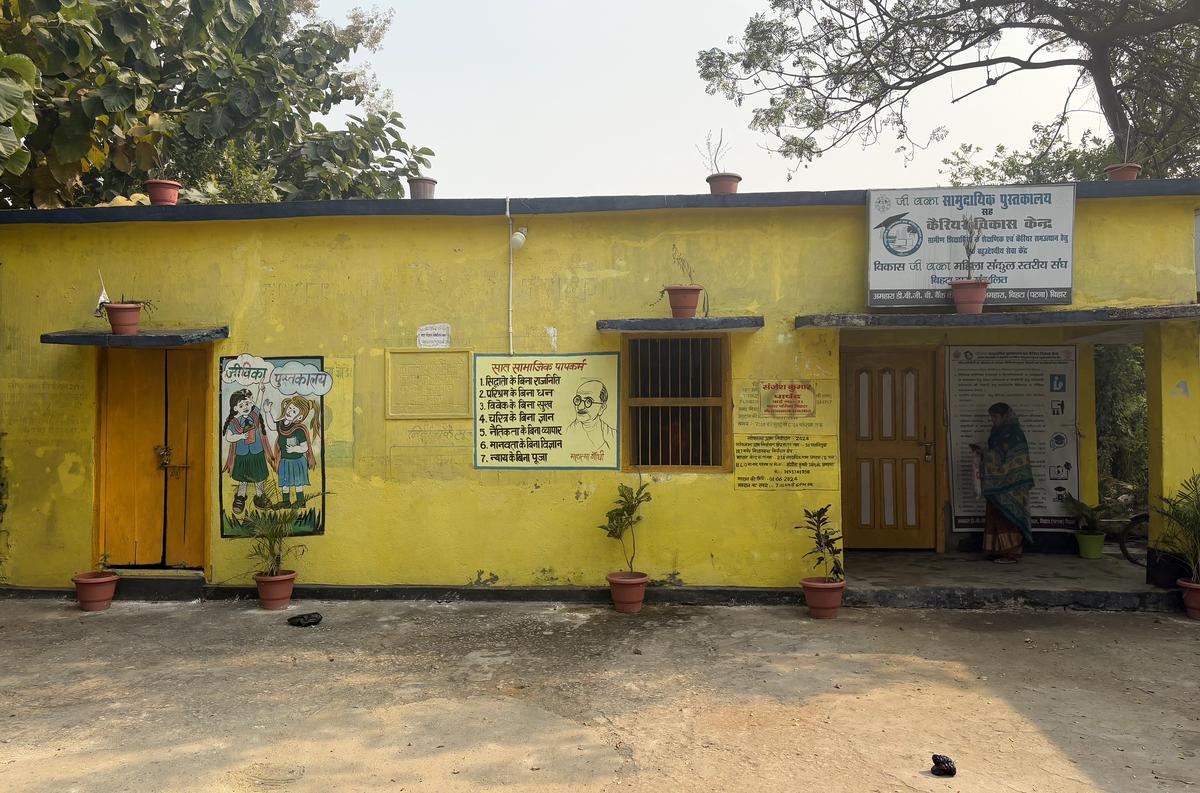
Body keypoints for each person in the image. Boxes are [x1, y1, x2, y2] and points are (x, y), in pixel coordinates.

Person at [970, 402, 1035, 563]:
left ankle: (1012, 552)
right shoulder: (995, 432)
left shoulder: (1015, 433)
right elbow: (995, 452)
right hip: (996, 483)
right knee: (995, 515)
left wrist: (987, 454)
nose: (993, 420)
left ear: (1005, 416)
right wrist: (982, 452)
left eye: (995, 416)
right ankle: (996, 550)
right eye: (991, 417)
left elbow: (1014, 458)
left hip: (1012, 483)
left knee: (1008, 516)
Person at [222, 388, 276, 515]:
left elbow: (258, 400)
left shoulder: (255, 415)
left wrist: (261, 390)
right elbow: (229, 436)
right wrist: (240, 436)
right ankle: (241, 497)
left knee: (259, 477)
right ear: (235, 408)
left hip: (257, 453)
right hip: (243, 455)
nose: (245, 407)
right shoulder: (234, 422)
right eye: (241, 405)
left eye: (247, 404)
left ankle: (260, 496)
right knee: (243, 479)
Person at [264, 394, 321, 506]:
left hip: (297, 461)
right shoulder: (281, 424)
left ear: (299, 418)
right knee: (285, 482)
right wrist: (267, 412)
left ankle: (300, 501)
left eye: (294, 411)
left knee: (297, 482)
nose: (290, 411)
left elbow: (305, 447)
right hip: (284, 460)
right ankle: (286, 502)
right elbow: (271, 425)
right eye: (290, 408)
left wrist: (295, 448)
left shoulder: (299, 430)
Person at [569, 379, 615, 452]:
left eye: (588, 401)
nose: (580, 407)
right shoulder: (568, 433)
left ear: (602, 408)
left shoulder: (613, 436)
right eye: (578, 400)